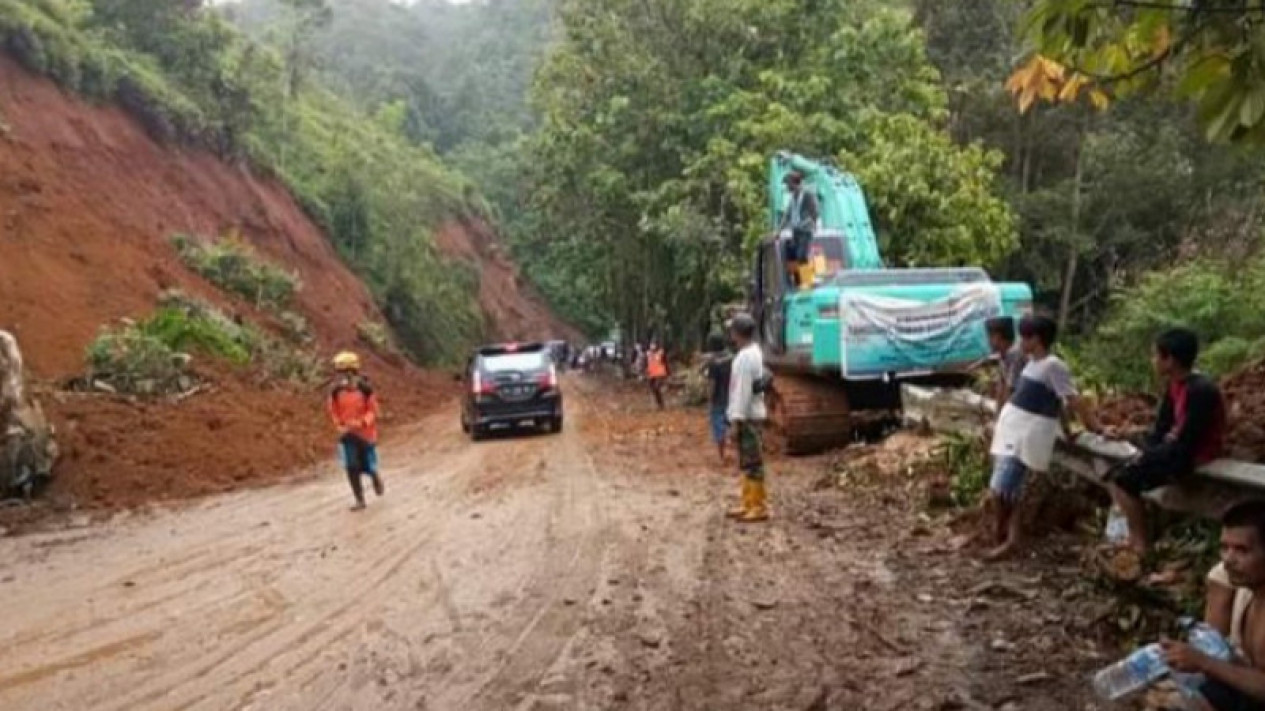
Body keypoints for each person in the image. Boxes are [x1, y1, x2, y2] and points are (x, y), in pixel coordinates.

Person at [986, 315, 1101, 560]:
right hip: (1015, 427)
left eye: (1025, 337)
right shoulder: (1032, 364)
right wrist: (1067, 429)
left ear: (1036, 339)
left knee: (1002, 488)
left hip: (1027, 432)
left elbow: (1071, 398)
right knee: (1009, 489)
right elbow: (1056, 401)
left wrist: (1095, 427)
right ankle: (1009, 538)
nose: (1021, 342)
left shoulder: (1053, 365)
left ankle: (1004, 535)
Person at [1108, 328, 1227, 554]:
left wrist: (1150, 455)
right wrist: (1144, 447)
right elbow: (1161, 428)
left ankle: (1141, 544)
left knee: (1124, 480)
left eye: (1156, 355)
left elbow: (1187, 441)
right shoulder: (1175, 385)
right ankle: (1135, 539)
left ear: (1169, 359)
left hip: (1195, 455)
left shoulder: (1201, 389)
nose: (1153, 361)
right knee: (1117, 476)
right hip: (1174, 448)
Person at [1163, 500, 1265, 711]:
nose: (1229, 559)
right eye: (1224, 547)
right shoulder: (1248, 591)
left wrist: (1204, 662)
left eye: (1242, 550)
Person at [726, 313, 769, 523]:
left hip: (748, 416)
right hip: (751, 414)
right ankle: (748, 502)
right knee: (747, 461)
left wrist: (736, 420)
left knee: (752, 462)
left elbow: (742, 392)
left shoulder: (745, 358)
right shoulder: (753, 352)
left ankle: (757, 506)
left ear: (736, 333)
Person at [327, 351, 383, 511]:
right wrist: (339, 425)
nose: (343, 377)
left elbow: (373, 410)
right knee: (351, 466)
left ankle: (374, 476)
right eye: (340, 373)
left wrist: (363, 422)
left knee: (369, 464)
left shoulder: (365, 389)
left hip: (365, 434)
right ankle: (360, 499)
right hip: (347, 435)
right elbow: (333, 410)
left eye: (346, 373)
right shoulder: (335, 391)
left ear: (354, 372)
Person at [778, 171, 819, 290]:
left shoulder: (807, 194)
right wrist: (779, 231)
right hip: (795, 231)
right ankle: (799, 282)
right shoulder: (793, 198)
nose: (787, 187)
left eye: (788, 184)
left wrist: (812, 224)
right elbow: (787, 215)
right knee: (796, 257)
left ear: (793, 183)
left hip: (805, 230)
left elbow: (815, 211)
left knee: (802, 255)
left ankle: (807, 281)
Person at [701, 333, 733, 463]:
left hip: (718, 398)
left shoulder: (714, 364)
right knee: (730, 422)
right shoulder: (731, 358)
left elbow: (712, 384)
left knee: (718, 426)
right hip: (732, 395)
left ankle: (722, 455)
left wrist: (709, 399)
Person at [985, 316, 1025, 413]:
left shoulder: (1015, 354)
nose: (988, 341)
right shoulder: (1003, 355)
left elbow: (1010, 389)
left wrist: (1004, 417)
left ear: (997, 337)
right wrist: (997, 417)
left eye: (990, 337)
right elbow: (1001, 386)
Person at [646, 341, 668, 410]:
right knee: (653, 389)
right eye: (651, 345)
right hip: (652, 374)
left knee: (656, 388)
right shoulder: (648, 353)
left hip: (660, 373)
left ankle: (661, 404)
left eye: (654, 345)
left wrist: (668, 372)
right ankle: (658, 404)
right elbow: (647, 363)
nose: (652, 346)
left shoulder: (661, 353)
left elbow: (665, 362)